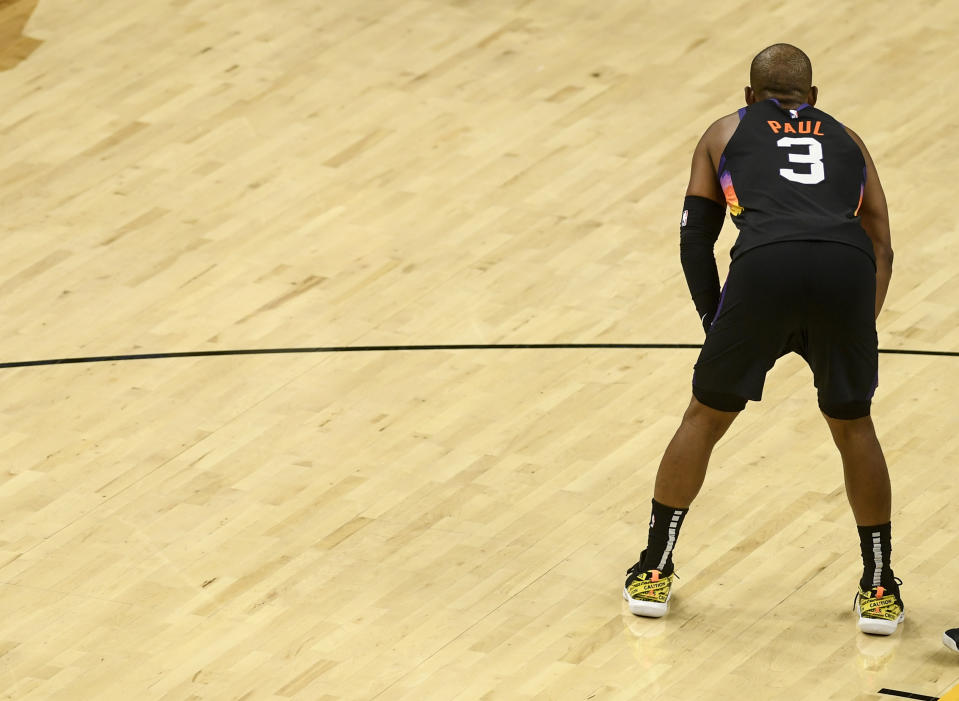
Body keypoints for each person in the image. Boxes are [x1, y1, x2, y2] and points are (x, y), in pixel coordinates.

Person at [623, 44, 902, 635]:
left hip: (765, 267)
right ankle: (879, 587)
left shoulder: (724, 132)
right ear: (814, 97)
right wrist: (863, 321)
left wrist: (713, 323)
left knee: (703, 417)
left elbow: (696, 240)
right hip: (844, 268)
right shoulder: (848, 137)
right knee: (855, 425)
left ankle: (654, 568)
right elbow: (881, 240)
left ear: (749, 95)